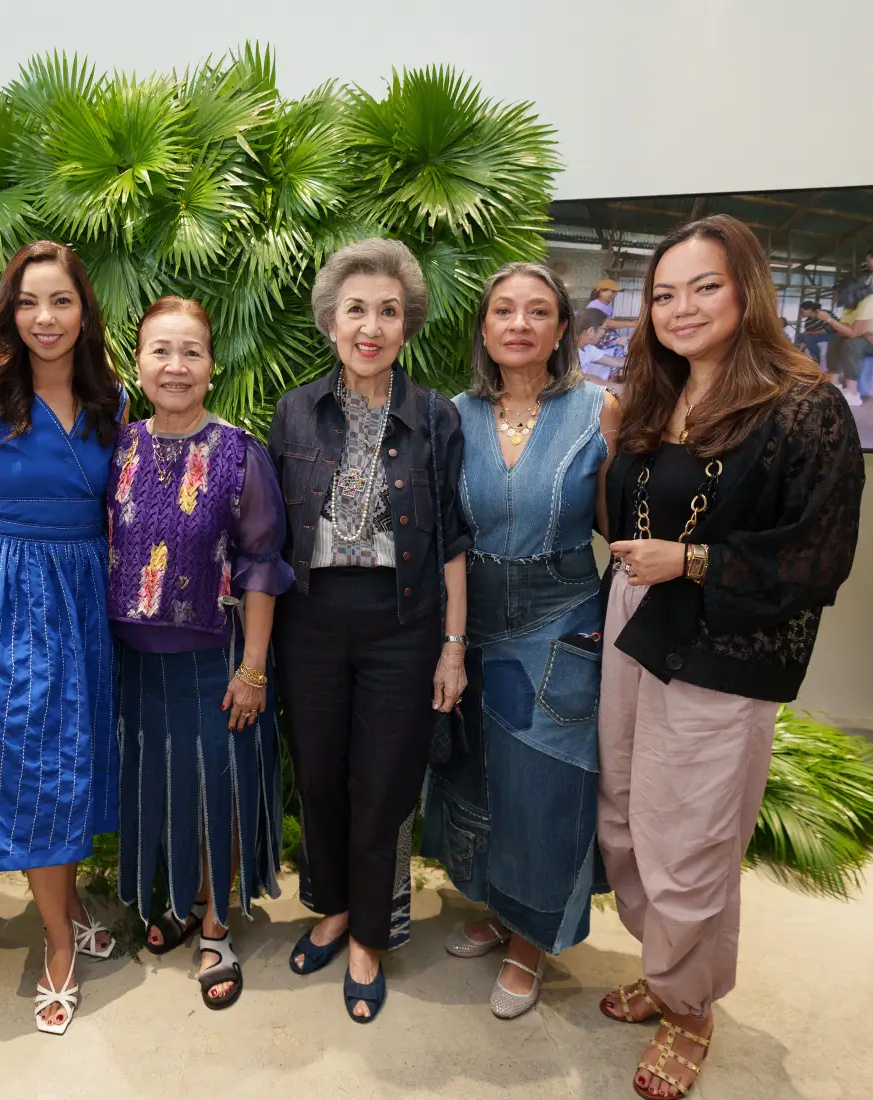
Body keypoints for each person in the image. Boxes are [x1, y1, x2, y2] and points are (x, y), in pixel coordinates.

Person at [598, 215, 863, 1098]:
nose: (682, 308)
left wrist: (694, 560)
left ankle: (690, 1011)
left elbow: (817, 558)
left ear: (747, 290)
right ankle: (673, 969)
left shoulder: (804, 404)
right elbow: (624, 514)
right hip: (636, 619)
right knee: (627, 814)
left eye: (704, 286)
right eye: (664, 293)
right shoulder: (652, 393)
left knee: (692, 838)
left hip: (725, 640)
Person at [269, 237, 470, 1023]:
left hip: (403, 621)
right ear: (330, 321)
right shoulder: (295, 409)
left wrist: (453, 645)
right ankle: (334, 906)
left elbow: (453, 535)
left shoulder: (434, 415)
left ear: (407, 324)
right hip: (311, 620)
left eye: (389, 311)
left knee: (382, 784)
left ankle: (370, 935)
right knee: (318, 774)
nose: (372, 325)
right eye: (356, 309)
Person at [423, 262, 618, 1019]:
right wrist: (446, 636)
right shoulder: (455, 414)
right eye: (503, 310)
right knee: (479, 779)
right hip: (471, 625)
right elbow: (443, 534)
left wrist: (615, 613)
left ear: (562, 328)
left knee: (544, 789)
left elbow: (621, 525)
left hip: (558, 619)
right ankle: (500, 909)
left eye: (538, 312)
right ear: (484, 325)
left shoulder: (599, 410)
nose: (519, 324)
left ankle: (532, 942)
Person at [0, 240, 125, 1035]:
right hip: (10, 592)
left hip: (89, 591)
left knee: (76, 759)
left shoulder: (114, 400)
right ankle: (58, 943)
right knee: (30, 758)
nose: (44, 318)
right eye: (28, 302)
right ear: (9, 313)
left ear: (84, 310)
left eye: (60, 301)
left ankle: (70, 904)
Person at [107, 296, 293, 1010]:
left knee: (220, 786)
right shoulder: (122, 447)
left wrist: (254, 670)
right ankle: (180, 901)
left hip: (217, 659)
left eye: (191, 352)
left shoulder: (239, 453)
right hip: (139, 662)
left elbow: (262, 568)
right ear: (139, 363)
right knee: (163, 787)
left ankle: (215, 924)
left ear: (211, 367)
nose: (175, 366)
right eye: (161, 351)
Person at [576, 306, 627, 386]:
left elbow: (617, 362)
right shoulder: (568, 351)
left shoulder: (588, 349)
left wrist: (642, 362)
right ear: (591, 331)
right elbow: (582, 378)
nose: (605, 333)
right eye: (604, 329)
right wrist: (617, 387)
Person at [794, 298, 832, 367]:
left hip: (831, 334)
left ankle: (817, 360)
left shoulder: (824, 313)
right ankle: (799, 354)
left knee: (809, 339)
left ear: (810, 310)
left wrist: (811, 333)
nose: (800, 313)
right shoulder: (808, 322)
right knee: (801, 336)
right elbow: (806, 334)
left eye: (802, 311)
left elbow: (829, 329)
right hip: (818, 336)